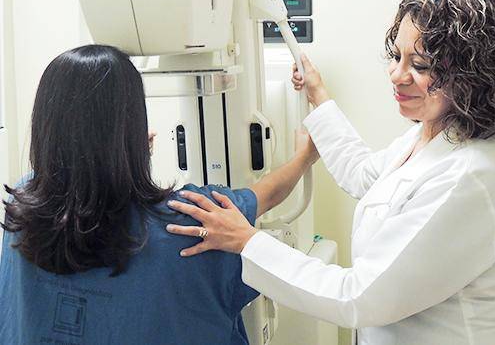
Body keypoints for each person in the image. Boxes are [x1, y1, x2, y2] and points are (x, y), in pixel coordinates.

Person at [167, 0, 495, 345]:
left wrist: (247, 241)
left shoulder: (471, 176)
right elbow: (363, 174)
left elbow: (358, 297)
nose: (397, 75)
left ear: (472, 76)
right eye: (397, 56)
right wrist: (317, 93)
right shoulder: (431, 135)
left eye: (420, 65)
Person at [0, 45, 316, 345]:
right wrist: (305, 156)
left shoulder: (22, 207)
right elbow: (266, 196)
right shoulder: (187, 223)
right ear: (131, 126)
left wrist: (125, 155)